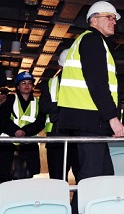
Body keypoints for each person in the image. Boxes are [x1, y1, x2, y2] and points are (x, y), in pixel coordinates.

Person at [57, 1, 124, 186]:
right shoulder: (93, 41)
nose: (113, 21)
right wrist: (112, 117)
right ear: (94, 20)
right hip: (90, 119)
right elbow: (97, 83)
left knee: (104, 175)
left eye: (114, 18)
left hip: (92, 120)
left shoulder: (92, 41)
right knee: (93, 177)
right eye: (109, 17)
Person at [40, 49, 80, 181]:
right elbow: (44, 106)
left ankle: (77, 202)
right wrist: (66, 104)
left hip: (77, 136)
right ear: (60, 66)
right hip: (56, 137)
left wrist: (57, 108)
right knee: (57, 179)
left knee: (82, 177)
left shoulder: (83, 84)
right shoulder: (49, 84)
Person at [0, 72, 47, 180]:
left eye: (30, 83)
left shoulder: (38, 102)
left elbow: (40, 122)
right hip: (8, 145)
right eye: (23, 83)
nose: (27, 85)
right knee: (5, 178)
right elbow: (3, 119)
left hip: (28, 146)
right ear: (17, 86)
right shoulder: (10, 99)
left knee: (26, 179)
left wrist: (25, 132)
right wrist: (15, 131)